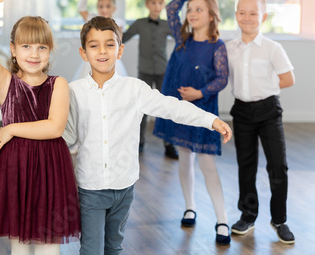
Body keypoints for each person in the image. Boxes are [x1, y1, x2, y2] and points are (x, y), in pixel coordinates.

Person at [63, 16, 233, 254]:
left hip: (124, 186)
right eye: (94, 45)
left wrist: (210, 120)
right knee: (91, 249)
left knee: (114, 247)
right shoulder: (73, 92)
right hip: (90, 188)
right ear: (84, 53)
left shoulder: (135, 89)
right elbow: (63, 134)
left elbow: (172, 107)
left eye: (109, 44)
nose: (102, 51)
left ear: (120, 50)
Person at [0, 0, 81, 255]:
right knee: (19, 244)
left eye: (41, 47)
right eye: (26, 46)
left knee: (49, 243)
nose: (34, 54)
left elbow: (55, 128)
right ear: (13, 49)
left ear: (49, 52)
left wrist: (11, 128)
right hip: (15, 167)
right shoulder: (4, 82)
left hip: (50, 166)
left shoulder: (59, 84)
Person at [153, 0, 231, 245]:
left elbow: (222, 79)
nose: (192, 13)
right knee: (185, 158)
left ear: (211, 16)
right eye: (191, 10)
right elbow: (171, 9)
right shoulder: (181, 39)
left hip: (205, 110)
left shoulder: (217, 46)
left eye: (199, 9)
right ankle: (190, 206)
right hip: (181, 112)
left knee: (207, 165)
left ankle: (222, 219)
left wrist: (199, 93)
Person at [226, 0, 295, 244]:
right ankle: (248, 215)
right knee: (246, 167)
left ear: (263, 17)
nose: (247, 18)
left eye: (253, 13)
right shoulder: (229, 49)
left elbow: (288, 79)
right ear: (236, 16)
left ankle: (279, 219)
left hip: (268, 112)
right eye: (242, 13)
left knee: (278, 166)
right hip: (242, 112)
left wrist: (264, 85)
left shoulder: (272, 48)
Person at [123, 0, 178, 157]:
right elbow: (122, 37)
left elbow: (182, 38)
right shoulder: (139, 23)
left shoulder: (166, 25)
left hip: (163, 71)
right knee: (142, 108)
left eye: (160, 3)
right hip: (145, 71)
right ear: (147, 4)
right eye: (153, 2)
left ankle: (169, 144)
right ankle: (139, 142)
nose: (157, 6)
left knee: (165, 107)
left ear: (163, 6)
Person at [74, 0, 127, 79]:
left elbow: (117, 43)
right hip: (94, 57)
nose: (104, 9)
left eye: (107, 6)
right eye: (100, 6)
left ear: (114, 8)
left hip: (110, 58)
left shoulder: (118, 24)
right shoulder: (92, 18)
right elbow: (81, 9)